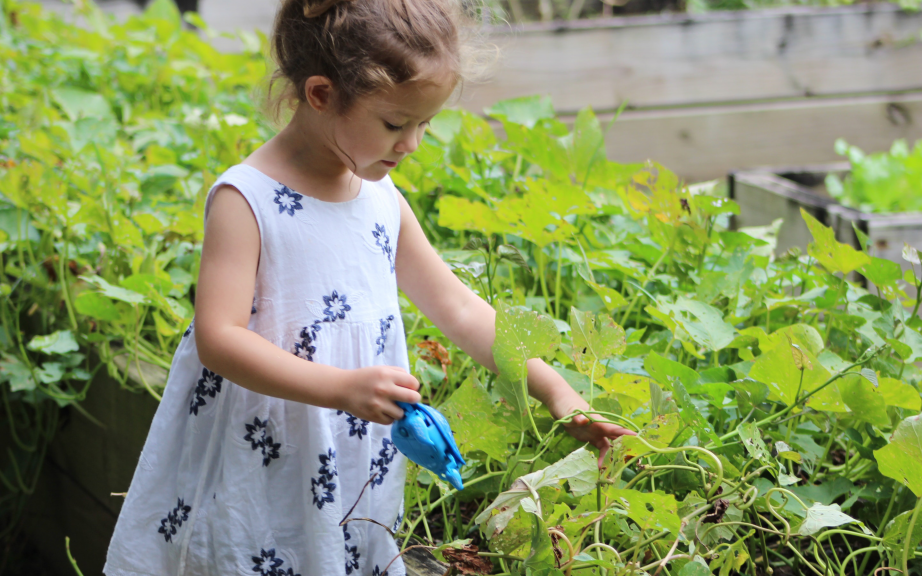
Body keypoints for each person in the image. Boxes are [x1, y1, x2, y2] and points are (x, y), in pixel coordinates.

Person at [103, 0, 634, 574]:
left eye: (425, 124)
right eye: (395, 124)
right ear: (321, 94)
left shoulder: (381, 200)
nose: (412, 143)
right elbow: (219, 338)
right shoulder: (247, 200)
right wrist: (340, 388)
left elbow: (458, 309)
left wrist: (555, 391)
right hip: (264, 448)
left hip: (351, 453)